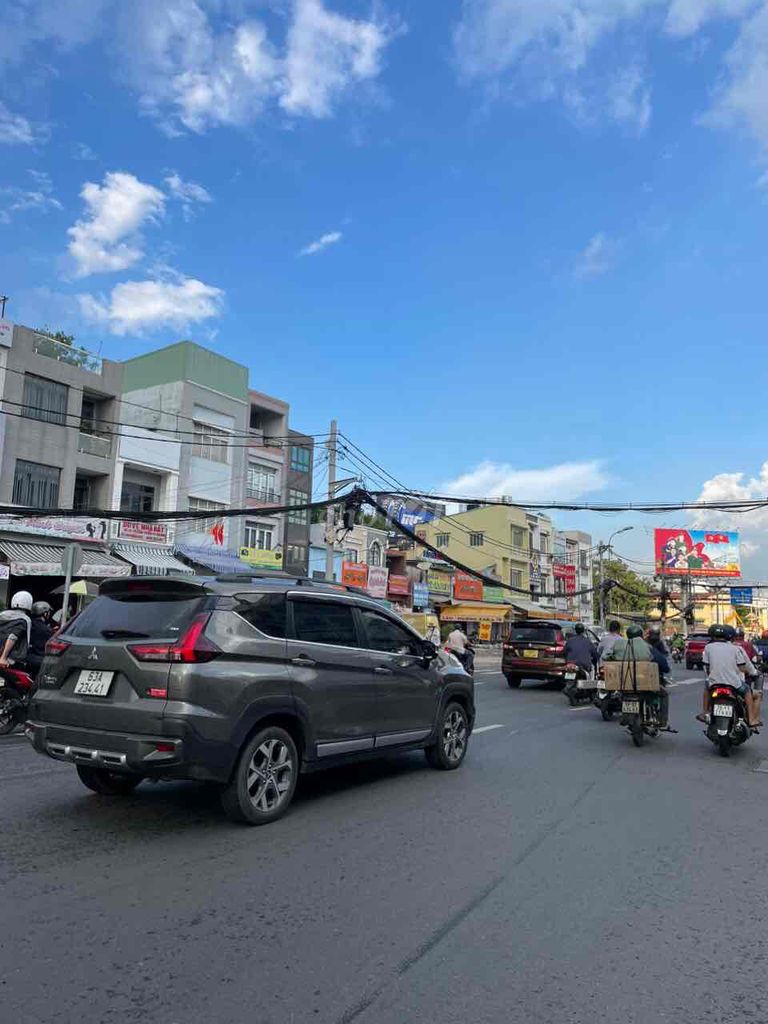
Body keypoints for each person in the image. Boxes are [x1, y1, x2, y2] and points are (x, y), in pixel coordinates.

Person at [699, 624, 761, 728]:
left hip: (714, 683)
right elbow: (742, 667)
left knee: (706, 688)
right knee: (748, 692)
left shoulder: (708, 647)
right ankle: (751, 719)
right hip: (734, 684)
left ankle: (704, 713)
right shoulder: (736, 648)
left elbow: (706, 666)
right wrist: (750, 672)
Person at [607, 624, 670, 727]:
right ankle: (662, 720)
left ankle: (626, 714)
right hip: (643, 684)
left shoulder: (618, 645)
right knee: (664, 694)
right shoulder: (646, 646)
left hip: (624, 684)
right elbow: (662, 663)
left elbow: (607, 657)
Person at [0, 591, 33, 668]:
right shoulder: (23, 620)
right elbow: (13, 637)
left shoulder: (3, 615)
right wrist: (3, 658)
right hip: (12, 657)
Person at [27, 600, 54, 680]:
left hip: (26, 658)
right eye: (48, 612)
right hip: (40, 660)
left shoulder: (28, 624)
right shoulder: (46, 630)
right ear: (45, 613)